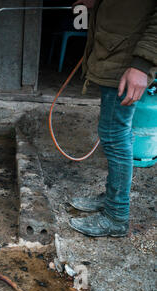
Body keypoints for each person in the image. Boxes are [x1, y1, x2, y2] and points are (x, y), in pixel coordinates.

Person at [68, 0, 156, 237]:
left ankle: (116, 216)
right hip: (116, 56)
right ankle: (112, 198)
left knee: (115, 137)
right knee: (117, 135)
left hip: (128, 61)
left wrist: (141, 65)